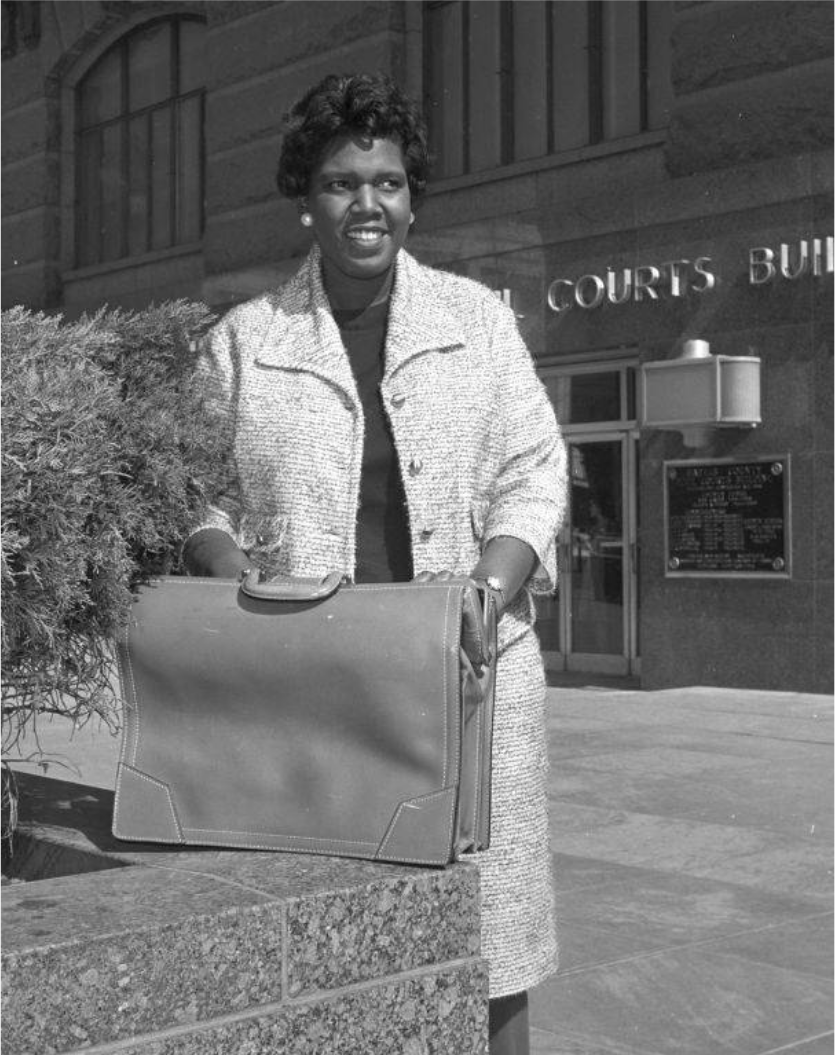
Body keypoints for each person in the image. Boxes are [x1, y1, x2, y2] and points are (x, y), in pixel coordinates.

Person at [183, 72, 567, 1055]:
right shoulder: (244, 341)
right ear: (306, 198)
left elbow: (534, 466)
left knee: (487, 939)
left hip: (466, 673)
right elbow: (190, 486)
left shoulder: (476, 321)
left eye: (388, 182)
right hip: (312, 681)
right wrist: (234, 573)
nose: (368, 203)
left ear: (412, 195)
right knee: (332, 934)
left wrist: (491, 584)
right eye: (343, 182)